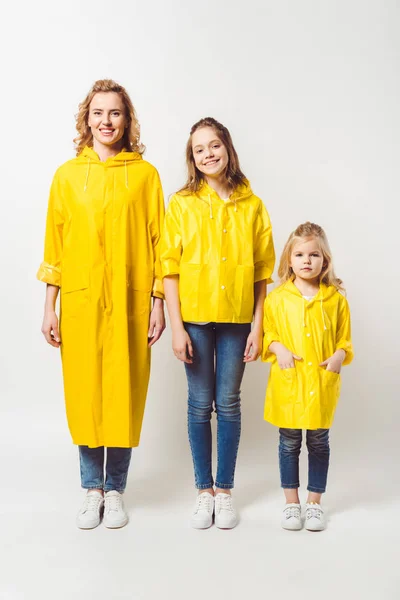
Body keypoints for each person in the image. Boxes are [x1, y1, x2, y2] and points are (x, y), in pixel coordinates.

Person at [37, 79, 165, 529]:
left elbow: (160, 243)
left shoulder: (145, 176)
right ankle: (92, 489)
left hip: (130, 303)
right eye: (98, 113)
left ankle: (117, 490)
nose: (106, 121)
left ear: (127, 120)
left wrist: (158, 303)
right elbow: (56, 244)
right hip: (81, 302)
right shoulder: (67, 176)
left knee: (124, 392)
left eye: (115, 113)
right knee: (86, 392)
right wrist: (49, 306)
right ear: (85, 119)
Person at [161, 117, 275, 529]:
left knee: (227, 404)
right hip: (192, 318)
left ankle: (224, 490)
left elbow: (263, 272)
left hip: (237, 320)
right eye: (199, 149)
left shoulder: (252, 204)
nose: (208, 154)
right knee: (198, 403)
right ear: (192, 158)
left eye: (214, 146)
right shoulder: (180, 204)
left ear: (227, 148)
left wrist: (259, 326)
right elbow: (169, 269)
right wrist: (175, 326)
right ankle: (203, 491)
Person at [262, 221, 353, 531]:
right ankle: (291, 503)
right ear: (289, 259)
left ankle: (314, 503)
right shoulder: (277, 298)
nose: (306, 261)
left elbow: (345, 339)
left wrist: (339, 356)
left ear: (324, 259)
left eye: (314, 255)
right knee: (288, 443)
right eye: (299, 255)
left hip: (320, 383)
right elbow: (267, 332)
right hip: (289, 383)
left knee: (318, 442)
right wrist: (279, 348)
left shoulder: (335, 299)